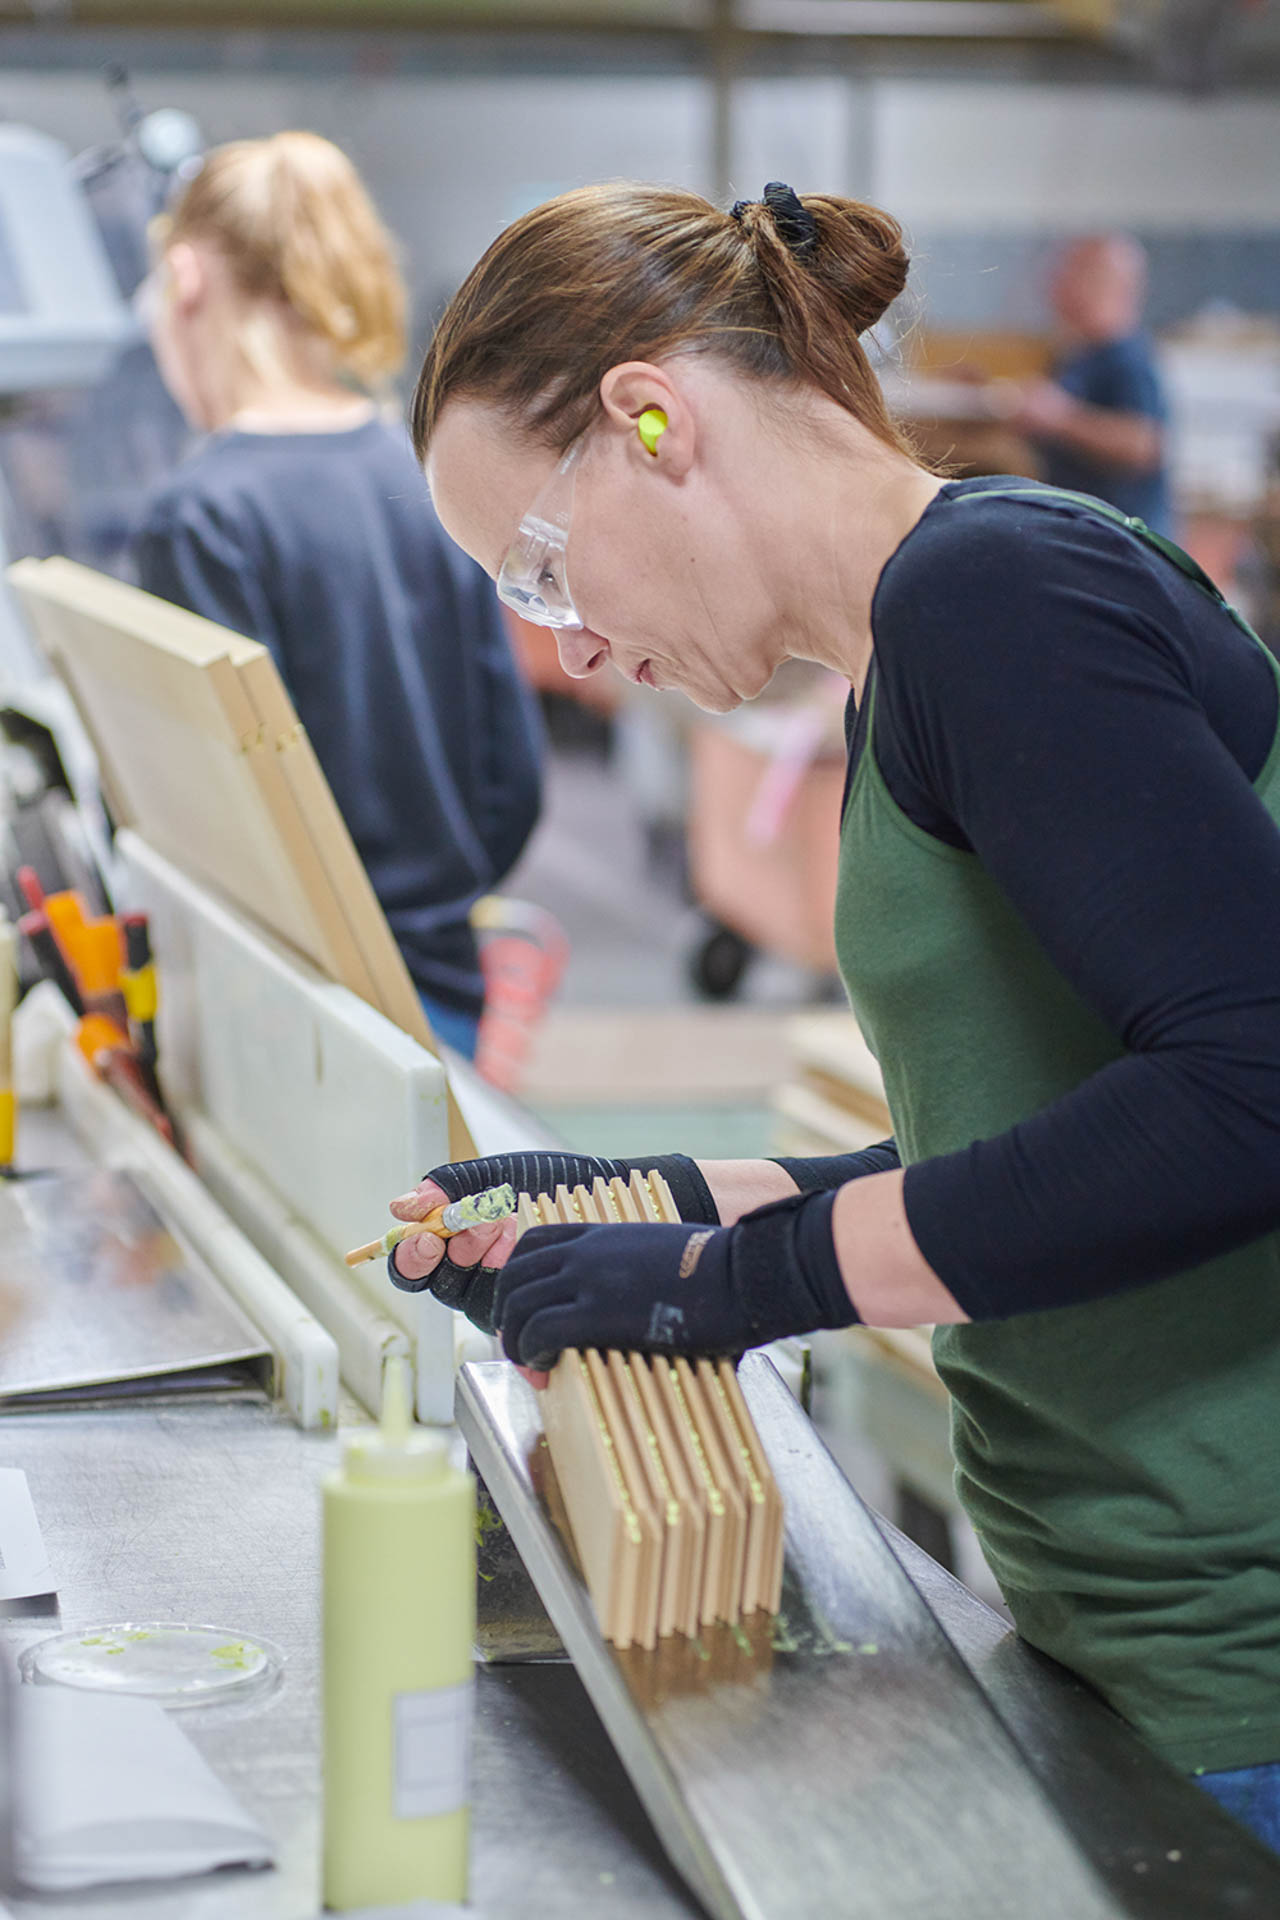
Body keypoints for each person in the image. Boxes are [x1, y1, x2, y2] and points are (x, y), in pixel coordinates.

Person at [383, 178, 1280, 1852]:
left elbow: (1254, 1086)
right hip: (1138, 1633)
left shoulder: (995, 600)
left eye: (538, 567)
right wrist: (670, 1202)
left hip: (1243, 1667)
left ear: (654, 420)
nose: (573, 647)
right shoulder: (915, 648)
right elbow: (1042, 1133)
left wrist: (744, 1288)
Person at [132, 132, 542, 1058]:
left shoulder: (201, 516)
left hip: (297, 1010)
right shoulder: (423, 474)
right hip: (443, 980)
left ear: (186, 280)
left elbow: (221, 819)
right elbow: (511, 773)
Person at [1009, 232, 1174, 536]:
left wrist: (1061, 419)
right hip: (1083, 532)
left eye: (1071, 272)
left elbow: (1144, 444)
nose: (1055, 283)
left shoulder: (1127, 357)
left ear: (1110, 284)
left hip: (1125, 542)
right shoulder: (1077, 354)